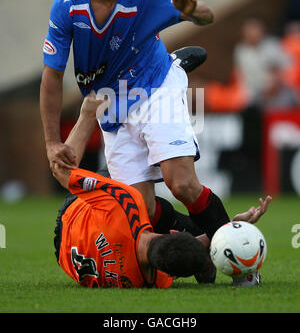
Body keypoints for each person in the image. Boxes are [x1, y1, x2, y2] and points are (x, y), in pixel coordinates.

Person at [39, 0, 239, 249]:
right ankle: (200, 245)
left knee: (182, 184)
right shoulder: (68, 4)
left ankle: (240, 259)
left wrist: (191, 12)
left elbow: (207, 16)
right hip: (109, 104)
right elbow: (52, 76)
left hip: (155, 87)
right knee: (140, 208)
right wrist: (51, 141)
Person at [53, 92, 271, 288]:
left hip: (73, 215)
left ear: (164, 235)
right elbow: (181, 250)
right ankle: (161, 84)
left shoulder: (125, 206)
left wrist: (87, 115)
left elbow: (60, 169)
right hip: (66, 257)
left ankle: (153, 85)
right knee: (155, 210)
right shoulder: (151, 280)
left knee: (146, 202)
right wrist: (225, 228)